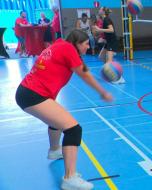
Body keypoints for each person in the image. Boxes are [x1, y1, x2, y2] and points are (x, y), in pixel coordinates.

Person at [15, 29, 113, 190]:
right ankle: (69, 178)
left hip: (28, 92)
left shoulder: (60, 44)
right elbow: (85, 74)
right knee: (74, 129)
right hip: (33, 94)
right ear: (76, 43)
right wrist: (103, 92)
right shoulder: (68, 48)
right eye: (86, 44)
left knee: (58, 120)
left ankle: (54, 150)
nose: (88, 47)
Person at [94, 7, 125, 84]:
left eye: (100, 9)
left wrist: (99, 30)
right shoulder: (104, 20)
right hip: (108, 42)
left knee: (110, 62)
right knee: (101, 57)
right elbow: (108, 33)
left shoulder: (107, 19)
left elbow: (111, 30)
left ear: (103, 12)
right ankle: (109, 71)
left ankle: (119, 78)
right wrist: (102, 37)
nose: (99, 10)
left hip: (112, 42)